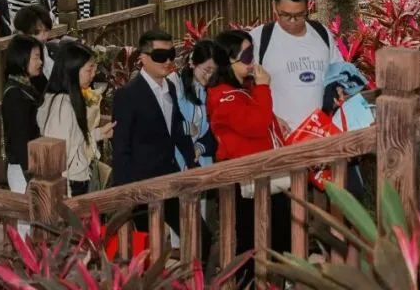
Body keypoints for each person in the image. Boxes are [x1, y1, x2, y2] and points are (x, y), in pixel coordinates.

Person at [112, 29, 211, 261]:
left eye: (171, 54)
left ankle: (196, 279)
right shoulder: (127, 95)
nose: (168, 61)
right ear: (143, 58)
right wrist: (126, 192)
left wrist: (193, 165)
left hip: (170, 178)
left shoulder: (171, 88)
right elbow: (121, 147)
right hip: (141, 186)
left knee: (202, 237)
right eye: (160, 56)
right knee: (148, 253)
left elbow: (175, 130)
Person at [207, 29, 291, 284]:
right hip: (245, 182)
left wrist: (274, 118)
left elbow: (260, 120)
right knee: (249, 246)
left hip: (268, 176)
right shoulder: (222, 96)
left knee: (282, 238)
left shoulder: (244, 89)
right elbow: (256, 125)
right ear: (228, 61)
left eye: (252, 54)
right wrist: (264, 87)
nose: (252, 61)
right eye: (246, 57)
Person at [248, 0, 342, 135]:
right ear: (274, 7)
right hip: (280, 137)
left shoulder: (321, 33)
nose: (292, 21)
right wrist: (271, 119)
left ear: (307, 8)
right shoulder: (259, 38)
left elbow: (339, 72)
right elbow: (243, 90)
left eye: (299, 15)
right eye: (286, 15)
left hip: (321, 135)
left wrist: (340, 89)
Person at [37, 41, 114, 198]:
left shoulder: (67, 99)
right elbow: (58, 157)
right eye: (89, 69)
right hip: (70, 184)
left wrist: (98, 134)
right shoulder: (62, 106)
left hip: (75, 179)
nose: (93, 74)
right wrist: (65, 196)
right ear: (72, 70)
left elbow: (73, 141)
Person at [0, 35, 44, 237]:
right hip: (23, 168)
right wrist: (32, 174)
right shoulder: (14, 95)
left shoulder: (27, 86)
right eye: (35, 57)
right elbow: (19, 140)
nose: (40, 62)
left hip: (30, 164)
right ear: (21, 58)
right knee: (26, 225)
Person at [168, 39, 217, 170]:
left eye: (214, 72)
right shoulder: (174, 84)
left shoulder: (211, 90)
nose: (209, 76)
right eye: (207, 70)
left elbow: (216, 128)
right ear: (192, 63)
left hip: (201, 163)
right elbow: (162, 124)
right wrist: (186, 127)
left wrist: (201, 147)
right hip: (174, 163)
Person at [13, 5, 54, 90]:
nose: (43, 37)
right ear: (22, 33)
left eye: (46, 30)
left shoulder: (48, 52)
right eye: (36, 32)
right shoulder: (22, 63)